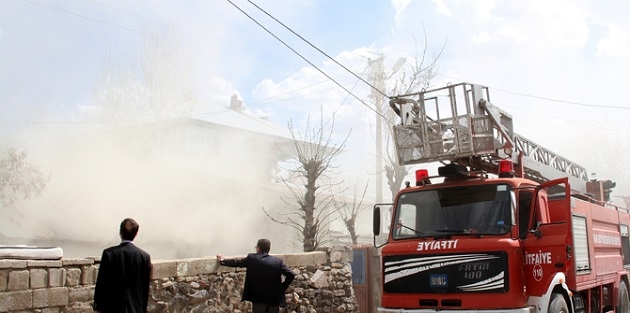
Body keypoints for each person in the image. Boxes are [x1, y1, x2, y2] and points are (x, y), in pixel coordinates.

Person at [217, 238, 295, 313]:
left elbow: (237, 262)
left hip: (259, 298)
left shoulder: (252, 258)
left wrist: (223, 261)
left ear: (259, 248)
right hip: (274, 300)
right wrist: (282, 288)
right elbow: (291, 274)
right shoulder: (278, 262)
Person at [93, 218, 152, 313]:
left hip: (112, 308)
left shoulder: (109, 254)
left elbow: (102, 282)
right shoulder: (144, 257)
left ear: (120, 232)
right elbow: (145, 288)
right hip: (135, 308)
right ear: (136, 234)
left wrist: (97, 306)